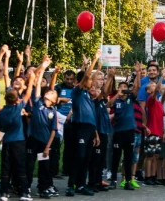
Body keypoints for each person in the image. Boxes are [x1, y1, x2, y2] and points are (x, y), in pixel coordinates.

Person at [66, 50, 101, 196]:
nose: (91, 81)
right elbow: (87, 75)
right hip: (80, 128)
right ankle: (70, 185)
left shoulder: (88, 95)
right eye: (89, 80)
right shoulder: (77, 92)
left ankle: (81, 185)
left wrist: (96, 134)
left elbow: (92, 117)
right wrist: (94, 60)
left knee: (86, 158)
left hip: (89, 129)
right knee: (79, 156)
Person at [0, 70, 35, 201]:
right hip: (19, 141)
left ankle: (3, 192)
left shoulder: (1, 112)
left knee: (6, 167)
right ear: (16, 100)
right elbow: (29, 93)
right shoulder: (18, 107)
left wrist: (0, 141)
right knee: (21, 167)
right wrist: (31, 80)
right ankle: (24, 192)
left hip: (6, 141)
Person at [25, 58, 58, 199]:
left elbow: (53, 131)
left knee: (44, 167)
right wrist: (43, 67)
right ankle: (25, 188)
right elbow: (37, 83)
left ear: (54, 100)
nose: (49, 92)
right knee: (29, 165)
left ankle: (43, 188)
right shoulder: (38, 103)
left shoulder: (53, 112)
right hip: (32, 139)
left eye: (52, 93)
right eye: (49, 92)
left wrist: (47, 147)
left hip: (44, 143)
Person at [108, 78, 138, 191]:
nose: (123, 89)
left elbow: (136, 88)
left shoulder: (130, 98)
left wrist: (138, 74)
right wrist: (117, 95)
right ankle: (113, 180)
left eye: (125, 87)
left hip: (129, 132)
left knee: (128, 157)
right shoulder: (116, 100)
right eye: (121, 87)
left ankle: (128, 181)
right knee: (116, 156)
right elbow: (108, 104)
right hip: (118, 132)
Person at [143, 76, 165, 186]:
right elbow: (157, 91)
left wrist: (163, 132)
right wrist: (162, 77)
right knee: (150, 156)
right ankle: (147, 176)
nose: (155, 86)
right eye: (152, 85)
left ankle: (153, 175)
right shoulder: (150, 100)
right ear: (148, 90)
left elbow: (161, 119)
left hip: (159, 132)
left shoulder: (159, 103)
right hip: (152, 131)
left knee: (156, 156)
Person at [55, 68, 75, 177]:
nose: (69, 81)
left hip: (71, 119)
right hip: (59, 118)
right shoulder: (59, 87)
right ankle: (55, 169)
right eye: (67, 78)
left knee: (69, 146)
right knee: (57, 145)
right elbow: (54, 98)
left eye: (71, 79)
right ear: (64, 78)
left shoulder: (75, 89)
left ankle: (67, 169)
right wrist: (63, 99)